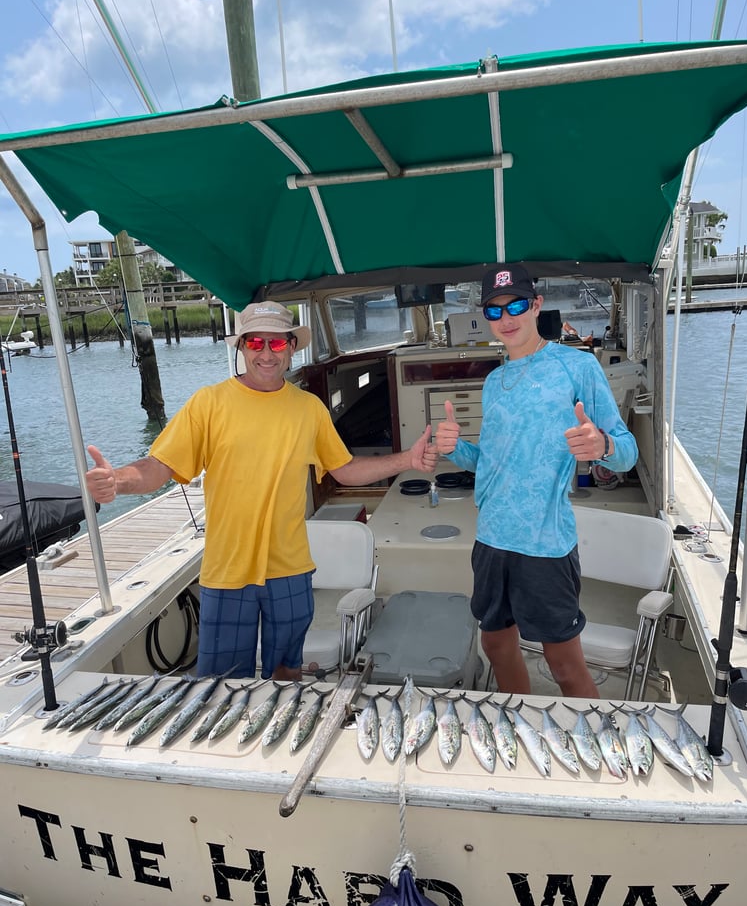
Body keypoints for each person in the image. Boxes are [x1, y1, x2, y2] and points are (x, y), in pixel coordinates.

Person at [86, 301, 438, 681]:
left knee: (287, 671)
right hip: (227, 571)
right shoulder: (209, 403)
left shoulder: (309, 408)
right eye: (256, 343)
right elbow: (160, 467)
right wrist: (118, 481)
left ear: (291, 348)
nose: (267, 354)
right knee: (220, 681)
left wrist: (407, 460)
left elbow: (345, 469)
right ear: (241, 348)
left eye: (277, 343)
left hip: (290, 568)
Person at [435, 264, 638, 698]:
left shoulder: (576, 366)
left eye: (517, 306)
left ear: (537, 305)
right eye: (495, 311)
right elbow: (490, 462)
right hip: (491, 539)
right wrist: (454, 448)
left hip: (545, 545)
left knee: (564, 664)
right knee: (495, 644)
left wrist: (601, 445)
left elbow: (627, 452)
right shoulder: (495, 380)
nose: (507, 319)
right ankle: (519, 724)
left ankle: (595, 750)